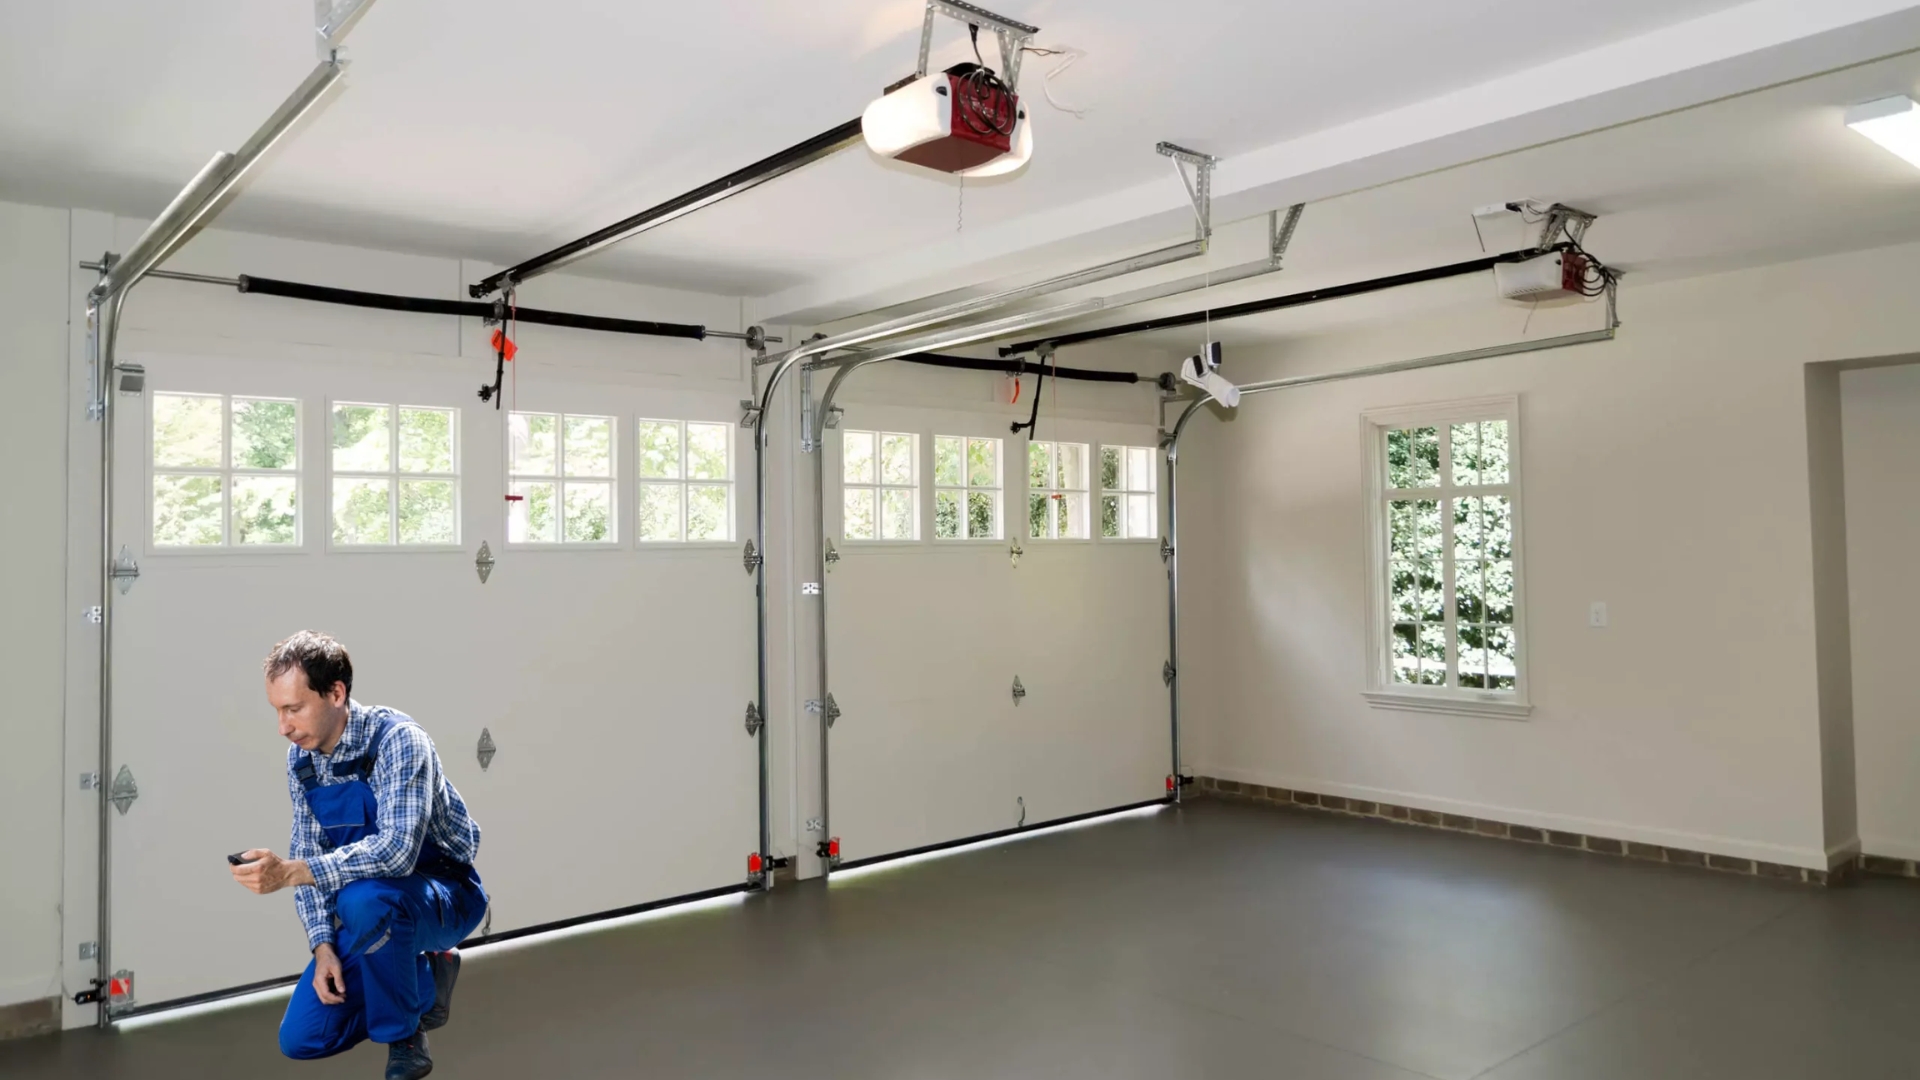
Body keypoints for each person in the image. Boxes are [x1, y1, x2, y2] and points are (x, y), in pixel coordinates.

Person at [230, 631, 487, 1080]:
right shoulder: (303, 762)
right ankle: (429, 976)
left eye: (294, 709)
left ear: (336, 693)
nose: (283, 727)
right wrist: (323, 945)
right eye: (277, 711)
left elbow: (397, 851)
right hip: (376, 912)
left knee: (361, 900)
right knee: (303, 1038)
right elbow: (307, 851)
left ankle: (404, 1037)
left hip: (444, 894)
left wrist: (294, 872)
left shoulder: (399, 741)